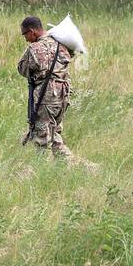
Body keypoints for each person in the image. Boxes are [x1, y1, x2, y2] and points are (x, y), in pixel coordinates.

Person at [16, 15, 84, 163]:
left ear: (32, 31)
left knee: (42, 140)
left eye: (25, 34)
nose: (26, 39)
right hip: (63, 95)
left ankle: (41, 169)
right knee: (55, 136)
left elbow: (22, 69)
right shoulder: (61, 44)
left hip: (46, 96)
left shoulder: (34, 48)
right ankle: (76, 166)